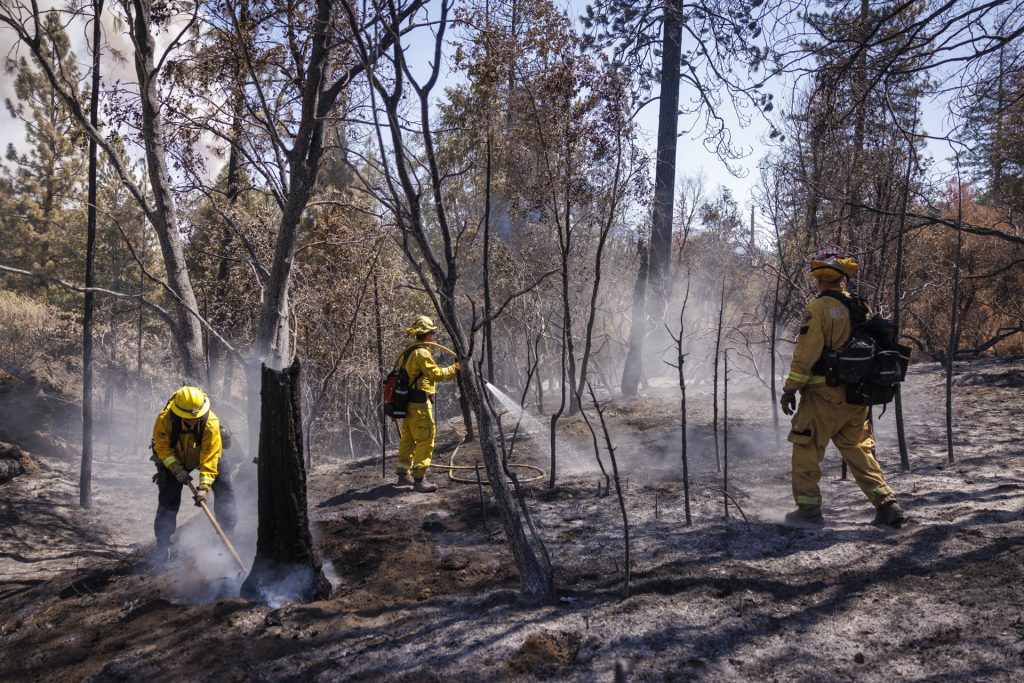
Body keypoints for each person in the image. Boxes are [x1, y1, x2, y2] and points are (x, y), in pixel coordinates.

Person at [780, 249, 905, 528]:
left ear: (818, 278)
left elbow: (806, 354)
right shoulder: (859, 304)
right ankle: (887, 505)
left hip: (823, 397)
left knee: (806, 448)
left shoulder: (819, 309)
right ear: (842, 278)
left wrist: (790, 388)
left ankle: (809, 512)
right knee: (858, 449)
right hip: (856, 396)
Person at [151, 385, 237, 557]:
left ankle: (226, 533)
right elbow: (162, 448)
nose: (193, 420)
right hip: (175, 458)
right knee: (168, 499)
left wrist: (204, 488)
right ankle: (163, 543)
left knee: (225, 489)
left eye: (196, 417)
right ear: (178, 412)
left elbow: (210, 458)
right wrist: (176, 469)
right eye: (188, 418)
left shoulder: (210, 423)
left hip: (204, 455)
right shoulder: (164, 419)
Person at [395, 315, 460, 493]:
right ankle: (419, 480)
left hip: (408, 404)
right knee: (426, 439)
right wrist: (455, 368)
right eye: (432, 332)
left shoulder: (409, 351)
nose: (433, 336)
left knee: (408, 439)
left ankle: (403, 475)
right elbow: (437, 375)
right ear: (428, 334)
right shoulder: (422, 353)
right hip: (420, 404)